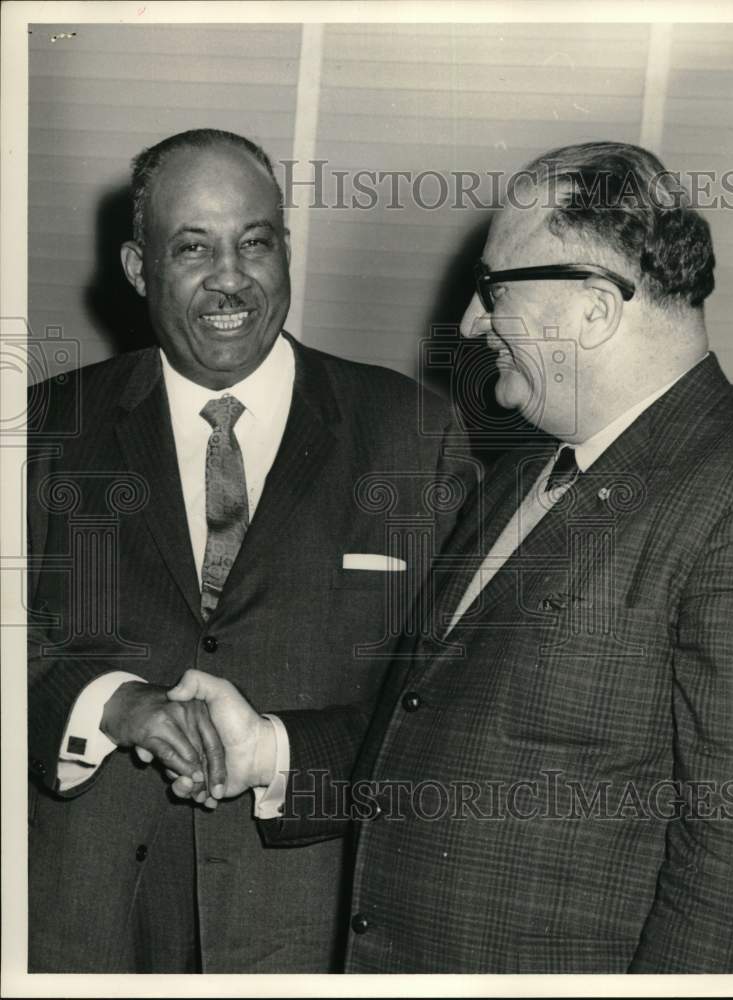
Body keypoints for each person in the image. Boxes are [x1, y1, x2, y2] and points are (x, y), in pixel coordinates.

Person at [170, 141, 733, 973]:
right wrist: (268, 749)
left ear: (593, 308)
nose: (467, 323)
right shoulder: (518, 474)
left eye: (493, 290)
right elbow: (430, 728)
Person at [27, 128, 470, 973]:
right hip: (83, 932)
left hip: (311, 930)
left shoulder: (414, 434)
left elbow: (447, 707)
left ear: (286, 249)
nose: (230, 278)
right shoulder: (43, 429)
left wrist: (276, 749)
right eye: (192, 247)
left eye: (255, 242)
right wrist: (113, 704)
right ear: (135, 267)